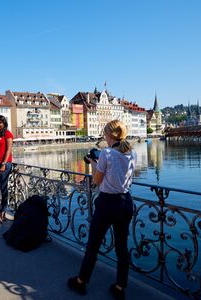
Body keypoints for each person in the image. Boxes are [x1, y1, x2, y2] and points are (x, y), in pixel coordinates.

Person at [67, 120, 136, 300]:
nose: (104, 138)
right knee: (122, 247)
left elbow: (97, 181)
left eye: (105, 134)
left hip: (107, 203)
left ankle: (81, 282)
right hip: (126, 202)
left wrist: (93, 163)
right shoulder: (131, 153)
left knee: (93, 245)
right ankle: (120, 287)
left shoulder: (106, 153)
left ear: (111, 135)